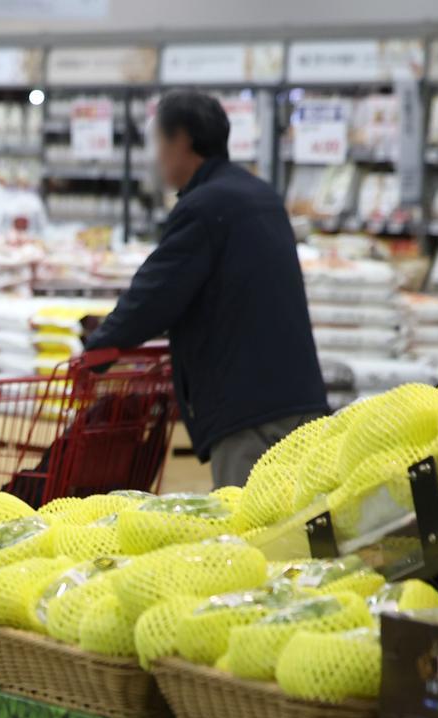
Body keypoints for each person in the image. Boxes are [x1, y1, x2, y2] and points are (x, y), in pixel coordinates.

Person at [84, 90, 328, 488]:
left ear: (180, 141)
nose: (156, 155)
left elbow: (155, 293)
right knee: (299, 527)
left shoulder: (204, 206)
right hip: (299, 398)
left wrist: (98, 351)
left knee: (252, 535)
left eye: (158, 141)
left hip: (248, 413)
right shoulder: (260, 195)